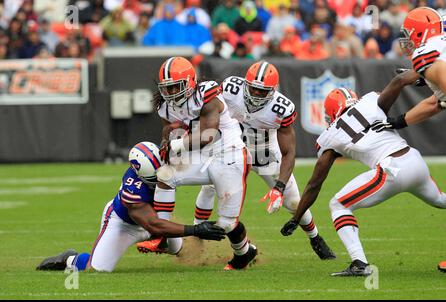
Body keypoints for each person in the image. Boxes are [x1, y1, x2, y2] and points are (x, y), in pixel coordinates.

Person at [280, 70, 446, 276]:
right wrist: (423, 76)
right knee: (440, 200)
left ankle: (359, 263)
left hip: (391, 168)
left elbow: (315, 183)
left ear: (332, 111)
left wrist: (296, 218)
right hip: (415, 160)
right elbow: (399, 80)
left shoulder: (329, 136)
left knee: (338, 204)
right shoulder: (370, 101)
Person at [193, 61, 336, 260]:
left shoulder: (281, 108)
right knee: (209, 186)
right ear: (245, 84)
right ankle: (195, 236)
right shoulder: (229, 88)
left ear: (273, 91)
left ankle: (315, 238)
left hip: (264, 155)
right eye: (253, 89)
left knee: (294, 202)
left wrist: (279, 187)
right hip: (230, 151)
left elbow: (288, 152)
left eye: (263, 91)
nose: (256, 95)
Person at [36, 142, 226, 272]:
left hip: (156, 220)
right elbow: (153, 225)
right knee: (97, 269)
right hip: (124, 225)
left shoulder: (165, 162)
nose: (163, 178)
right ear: (142, 174)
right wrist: (196, 229)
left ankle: (160, 243)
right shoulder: (133, 191)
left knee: (179, 249)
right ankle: (69, 258)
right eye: (156, 177)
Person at [150, 57, 257, 270]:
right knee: (165, 175)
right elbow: (170, 131)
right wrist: (166, 143)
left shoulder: (207, 95)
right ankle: (162, 235)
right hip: (202, 157)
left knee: (226, 224)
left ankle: (244, 252)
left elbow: (208, 134)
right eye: (167, 88)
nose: (171, 93)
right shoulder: (166, 107)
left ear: (190, 82)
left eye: (175, 87)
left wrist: (175, 145)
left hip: (229, 156)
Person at [372, 7, 446, 272]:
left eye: (408, 34)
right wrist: (399, 121)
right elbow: (437, 102)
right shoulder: (438, 47)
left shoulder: (427, 53)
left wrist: (424, 77)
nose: (407, 40)